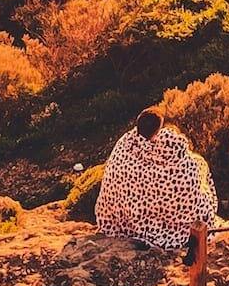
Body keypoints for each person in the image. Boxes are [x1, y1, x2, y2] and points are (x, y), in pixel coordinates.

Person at [94, 108, 219, 260]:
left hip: (125, 222)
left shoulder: (123, 146)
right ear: (159, 129)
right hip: (172, 224)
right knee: (200, 169)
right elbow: (189, 188)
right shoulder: (175, 152)